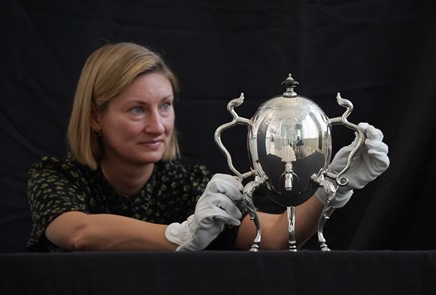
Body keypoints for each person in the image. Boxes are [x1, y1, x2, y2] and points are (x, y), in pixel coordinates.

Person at [26, 42, 390, 252]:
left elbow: (276, 237)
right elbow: (78, 233)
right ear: (94, 118)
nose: (158, 126)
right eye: (137, 110)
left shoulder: (188, 184)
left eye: (165, 105)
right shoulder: (57, 176)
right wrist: (181, 236)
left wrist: (335, 185)